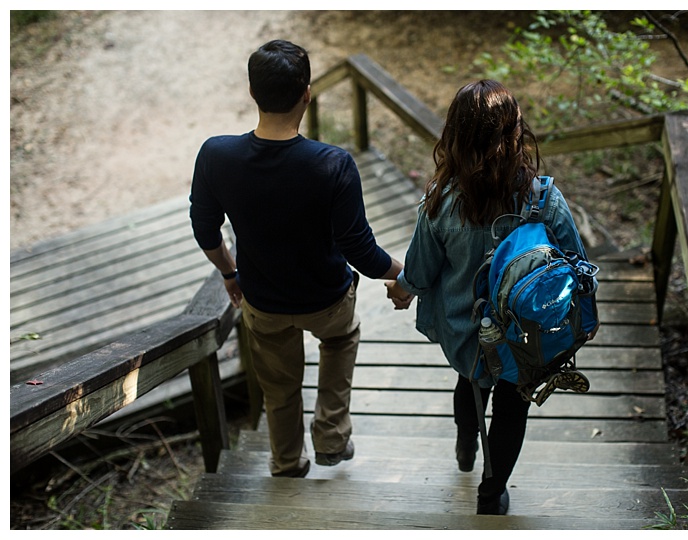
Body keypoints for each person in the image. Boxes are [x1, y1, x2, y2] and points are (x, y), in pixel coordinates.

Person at [190, 39, 404, 479]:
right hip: (326, 297)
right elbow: (359, 249)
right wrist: (405, 275)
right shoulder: (332, 164)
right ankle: (330, 436)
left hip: (262, 301)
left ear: (252, 92)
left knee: (279, 386)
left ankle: (286, 462)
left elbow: (204, 228)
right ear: (307, 94)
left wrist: (230, 273)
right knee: (341, 340)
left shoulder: (216, 155)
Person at [385, 80, 599, 515]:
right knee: (513, 402)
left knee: (469, 382)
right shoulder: (542, 199)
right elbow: (577, 265)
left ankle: (467, 443)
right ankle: (492, 490)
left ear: (456, 136)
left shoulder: (440, 202)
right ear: (513, 135)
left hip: (467, 333)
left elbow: (422, 271)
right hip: (524, 335)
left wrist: (402, 289)